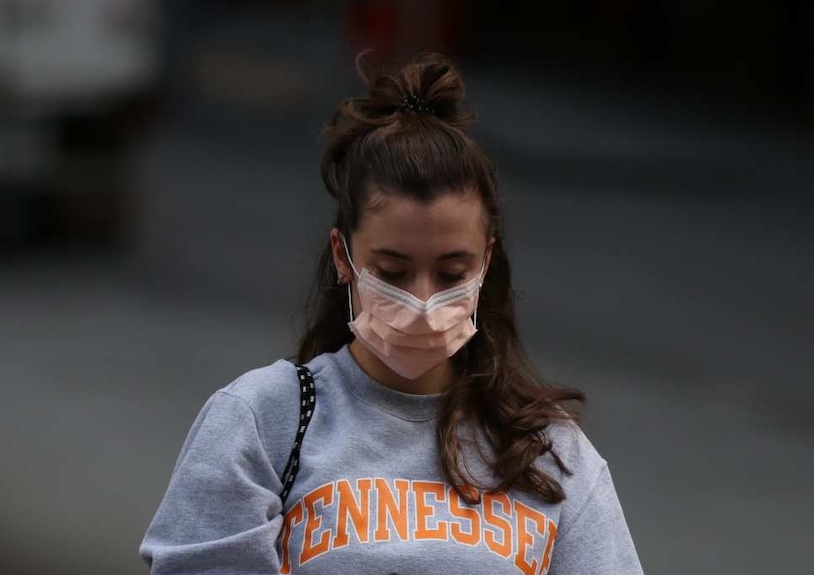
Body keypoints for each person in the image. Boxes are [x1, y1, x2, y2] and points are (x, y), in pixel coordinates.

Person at [139, 53, 644, 575]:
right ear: (344, 258)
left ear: (486, 263)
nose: (423, 302)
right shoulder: (263, 421)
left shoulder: (548, 451)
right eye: (393, 272)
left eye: (450, 274)